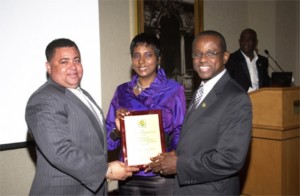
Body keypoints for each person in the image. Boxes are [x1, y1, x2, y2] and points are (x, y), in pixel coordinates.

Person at [25, 38, 138, 195]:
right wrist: (106, 170)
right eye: (64, 62)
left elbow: (92, 142)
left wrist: (117, 131)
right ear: (48, 67)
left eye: (76, 60)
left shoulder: (82, 94)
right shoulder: (44, 99)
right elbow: (59, 151)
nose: (73, 67)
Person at [146, 30, 252, 195]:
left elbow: (231, 159)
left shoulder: (236, 98)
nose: (202, 59)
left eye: (210, 53)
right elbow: (199, 138)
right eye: (197, 53)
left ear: (225, 57)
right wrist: (176, 153)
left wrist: (179, 164)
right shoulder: (201, 90)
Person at [106, 33, 186, 195]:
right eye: (136, 56)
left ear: (158, 58)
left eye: (148, 55)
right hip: (129, 175)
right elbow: (109, 142)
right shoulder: (122, 91)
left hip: (161, 175)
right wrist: (117, 129)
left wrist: (173, 154)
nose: (141, 61)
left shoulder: (173, 90)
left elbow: (181, 130)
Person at [225, 28, 270, 92]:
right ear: (239, 41)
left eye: (250, 39)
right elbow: (230, 83)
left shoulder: (262, 61)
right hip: (241, 99)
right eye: (243, 39)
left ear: (256, 42)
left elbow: (266, 82)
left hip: (261, 98)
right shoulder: (231, 59)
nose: (246, 42)